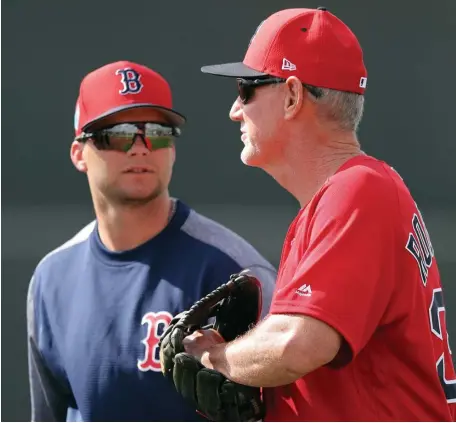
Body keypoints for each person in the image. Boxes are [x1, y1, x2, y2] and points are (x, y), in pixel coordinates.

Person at [179, 7, 456, 421]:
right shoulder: (351, 193)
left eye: (246, 89)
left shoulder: (358, 190)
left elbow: (298, 345)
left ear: (292, 96)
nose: (236, 111)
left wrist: (216, 357)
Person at [26, 60, 276, 422]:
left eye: (158, 133)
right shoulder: (52, 279)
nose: (141, 148)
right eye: (119, 133)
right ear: (79, 153)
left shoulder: (232, 271)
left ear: (172, 151)